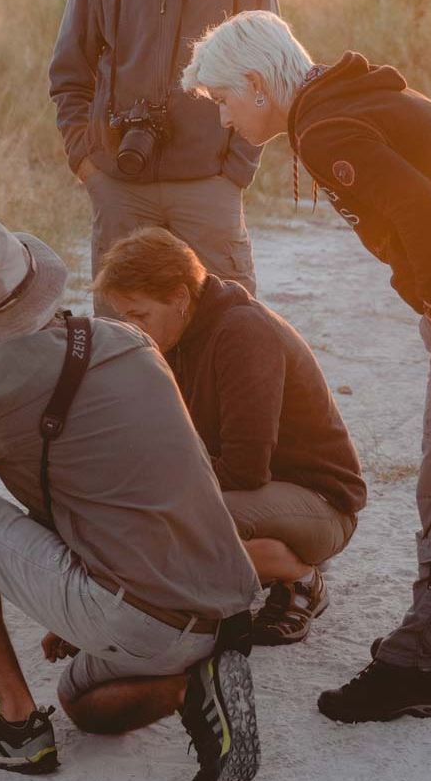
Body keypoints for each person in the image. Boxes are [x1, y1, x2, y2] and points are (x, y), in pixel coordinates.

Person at [180, 10, 431, 723]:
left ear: (256, 83)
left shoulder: (328, 128)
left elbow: (420, 210)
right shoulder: (348, 101)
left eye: (223, 100)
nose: (225, 118)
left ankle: (418, 664)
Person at [0, 210, 262, 781]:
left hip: (139, 611)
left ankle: (13, 722)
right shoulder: (127, 337)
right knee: (84, 706)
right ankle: (196, 678)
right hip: (219, 606)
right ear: (39, 280)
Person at [94, 227, 366, 646]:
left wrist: (150, 496)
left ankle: (299, 576)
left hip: (319, 505)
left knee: (160, 528)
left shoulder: (243, 332)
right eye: (124, 316)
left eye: (139, 314)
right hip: (256, 497)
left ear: (180, 298)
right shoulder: (178, 335)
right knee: (130, 520)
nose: (133, 327)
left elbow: (246, 468)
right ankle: (245, 566)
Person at [49, 0, 278, 312]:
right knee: (123, 339)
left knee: (231, 324)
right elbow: (69, 78)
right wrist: (89, 167)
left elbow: (269, 67)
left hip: (209, 183)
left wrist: (235, 167)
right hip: (120, 187)